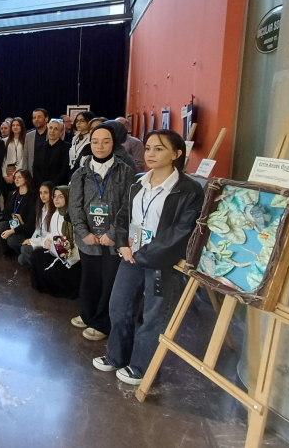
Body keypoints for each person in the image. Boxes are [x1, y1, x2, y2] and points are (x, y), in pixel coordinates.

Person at [93, 129, 204, 385]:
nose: (150, 153)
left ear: (176, 154)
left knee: (155, 316)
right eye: (149, 148)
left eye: (159, 149)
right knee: (118, 306)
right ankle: (116, 356)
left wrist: (143, 255)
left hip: (161, 261)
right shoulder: (138, 182)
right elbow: (124, 216)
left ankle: (141, 366)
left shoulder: (189, 189)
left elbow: (181, 232)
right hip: (131, 254)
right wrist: (123, 244)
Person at [67, 123, 135, 341]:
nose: (100, 146)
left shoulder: (125, 171)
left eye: (106, 141)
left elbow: (127, 206)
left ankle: (102, 323)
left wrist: (113, 233)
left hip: (112, 239)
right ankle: (88, 315)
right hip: (88, 237)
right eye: (95, 142)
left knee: (109, 282)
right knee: (90, 279)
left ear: (113, 143)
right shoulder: (81, 173)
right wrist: (83, 232)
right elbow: (74, 206)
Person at [29, 186, 81, 298]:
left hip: (72, 256)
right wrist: (48, 241)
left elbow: (76, 241)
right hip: (56, 250)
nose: (56, 199)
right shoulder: (56, 214)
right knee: (36, 255)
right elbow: (52, 233)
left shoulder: (74, 216)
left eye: (60, 196)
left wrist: (63, 250)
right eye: (54, 196)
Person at [0, 169, 37, 258]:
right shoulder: (12, 194)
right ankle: (7, 251)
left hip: (25, 228)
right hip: (13, 223)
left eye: (19, 177)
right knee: (1, 225)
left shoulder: (32, 197)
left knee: (12, 240)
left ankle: (21, 252)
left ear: (26, 179)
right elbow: (6, 212)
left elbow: (30, 222)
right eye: (15, 178)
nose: (16, 180)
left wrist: (14, 229)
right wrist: (12, 219)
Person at [18, 181, 55, 267]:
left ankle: (45, 268)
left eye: (45, 193)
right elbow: (38, 230)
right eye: (41, 193)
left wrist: (33, 242)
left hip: (48, 244)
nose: (42, 196)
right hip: (39, 241)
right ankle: (39, 266)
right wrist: (31, 240)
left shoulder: (55, 212)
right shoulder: (41, 209)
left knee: (24, 250)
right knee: (21, 259)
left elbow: (51, 236)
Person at [33, 118, 70, 186]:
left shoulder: (66, 147)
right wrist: (42, 184)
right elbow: (35, 167)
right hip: (41, 186)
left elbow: (64, 169)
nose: (52, 131)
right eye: (50, 128)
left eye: (56, 129)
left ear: (61, 132)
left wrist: (51, 185)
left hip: (57, 186)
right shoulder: (40, 146)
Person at [2, 118, 26, 203]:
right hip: (7, 173)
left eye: (18, 125)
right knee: (7, 198)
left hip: (20, 172)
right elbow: (3, 158)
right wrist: (5, 175)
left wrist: (15, 174)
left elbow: (24, 157)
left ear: (22, 127)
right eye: (13, 125)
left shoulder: (25, 140)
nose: (15, 127)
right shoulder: (5, 141)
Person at [69, 111, 96, 176]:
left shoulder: (92, 138)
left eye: (82, 121)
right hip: (72, 170)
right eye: (77, 121)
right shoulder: (75, 138)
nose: (78, 123)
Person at [23, 108, 49, 175]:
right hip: (32, 173)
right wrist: (25, 174)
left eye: (39, 117)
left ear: (46, 119)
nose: (36, 119)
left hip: (47, 173)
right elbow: (25, 156)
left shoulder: (51, 134)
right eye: (34, 117)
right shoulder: (28, 136)